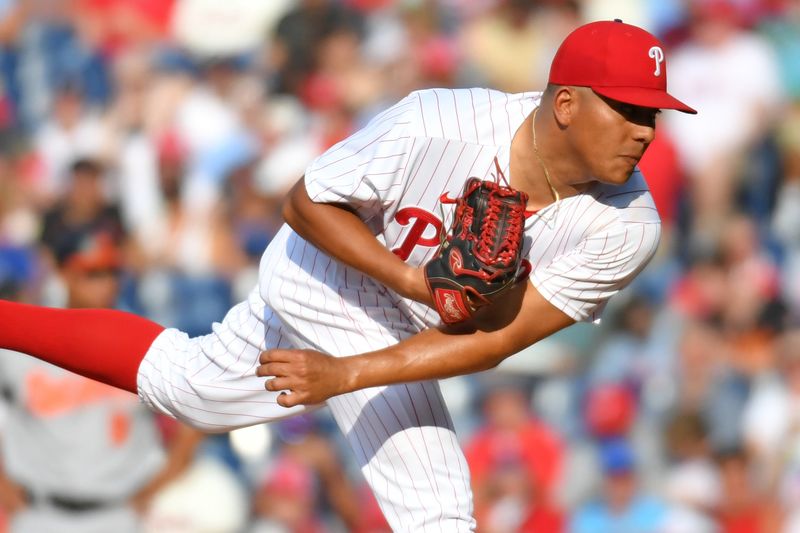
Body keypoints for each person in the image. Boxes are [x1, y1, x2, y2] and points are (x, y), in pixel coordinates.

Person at [0, 19, 696, 531]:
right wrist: (413, 288)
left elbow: (495, 341)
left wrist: (352, 369)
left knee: (194, 393)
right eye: (628, 109)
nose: (644, 131)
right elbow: (303, 202)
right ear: (568, 104)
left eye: (653, 115)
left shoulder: (628, 226)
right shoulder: (440, 122)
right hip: (324, 270)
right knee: (439, 512)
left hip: (414, 323)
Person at [0, 230, 205, 533]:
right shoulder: (29, 343)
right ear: (64, 274)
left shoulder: (141, 341)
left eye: (111, 272)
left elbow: (194, 416)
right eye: (92, 273)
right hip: (39, 512)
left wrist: (156, 485)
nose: (105, 283)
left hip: (118, 514)